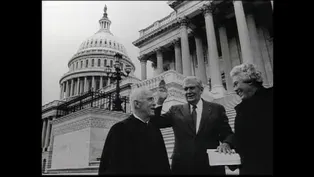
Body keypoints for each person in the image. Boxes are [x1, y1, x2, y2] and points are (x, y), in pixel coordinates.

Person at [152, 76, 234, 175]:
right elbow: (155, 123)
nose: (188, 91)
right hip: (182, 167)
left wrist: (226, 143)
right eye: (185, 89)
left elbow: (228, 134)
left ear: (201, 90)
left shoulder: (217, 109)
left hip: (210, 167)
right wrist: (160, 101)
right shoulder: (175, 110)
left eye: (192, 88)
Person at [98, 87, 171, 175]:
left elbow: (164, 164)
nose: (154, 103)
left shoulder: (154, 129)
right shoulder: (119, 129)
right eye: (150, 100)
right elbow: (109, 168)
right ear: (137, 104)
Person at [229, 63, 273, 175]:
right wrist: (228, 145)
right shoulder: (242, 109)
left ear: (250, 80)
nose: (235, 89)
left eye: (236, 84)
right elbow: (242, 138)